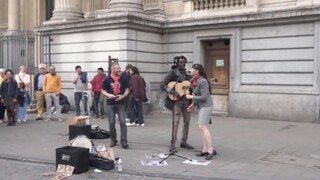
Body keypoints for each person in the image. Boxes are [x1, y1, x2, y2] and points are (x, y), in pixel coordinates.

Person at [160, 56, 194, 153]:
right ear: (177, 63)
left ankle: (184, 141)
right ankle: (172, 144)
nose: (182, 64)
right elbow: (162, 84)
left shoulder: (188, 74)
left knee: (187, 121)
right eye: (180, 62)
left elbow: (190, 87)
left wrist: (192, 88)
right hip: (176, 102)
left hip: (186, 102)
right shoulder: (173, 73)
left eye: (184, 62)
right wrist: (171, 91)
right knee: (176, 122)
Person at [186, 64, 217, 160]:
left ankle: (210, 150)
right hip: (201, 106)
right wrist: (193, 104)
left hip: (206, 106)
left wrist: (191, 97)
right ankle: (205, 149)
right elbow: (196, 93)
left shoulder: (203, 81)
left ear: (197, 71)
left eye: (192, 69)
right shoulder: (195, 80)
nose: (190, 70)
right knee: (202, 127)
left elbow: (204, 97)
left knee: (202, 126)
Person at [101, 64, 129, 149]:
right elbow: (102, 90)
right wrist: (108, 94)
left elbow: (127, 90)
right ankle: (113, 140)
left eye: (120, 68)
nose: (119, 69)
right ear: (112, 69)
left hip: (121, 103)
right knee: (111, 123)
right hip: (110, 103)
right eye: (117, 68)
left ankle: (124, 141)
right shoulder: (107, 79)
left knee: (122, 122)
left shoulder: (124, 78)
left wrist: (122, 96)